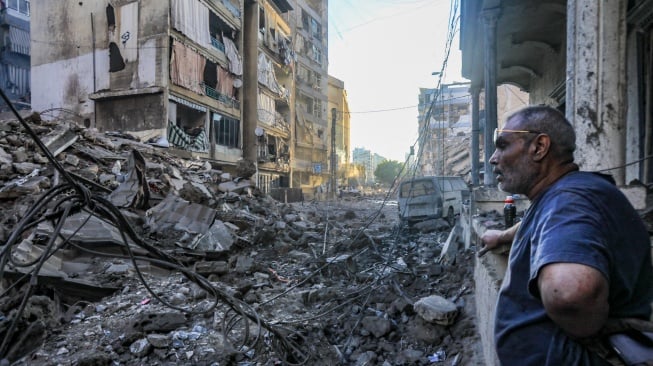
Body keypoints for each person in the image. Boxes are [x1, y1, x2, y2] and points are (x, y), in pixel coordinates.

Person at [479, 105, 653, 365]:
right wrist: (503, 236)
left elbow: (569, 292)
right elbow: (541, 221)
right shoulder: (565, 194)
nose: (494, 158)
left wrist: (587, 331)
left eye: (503, 145)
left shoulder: (568, 200)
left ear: (539, 147)